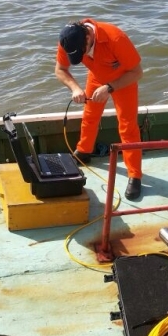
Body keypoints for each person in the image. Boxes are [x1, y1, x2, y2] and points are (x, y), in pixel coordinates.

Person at [55, 18, 144, 200]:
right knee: (89, 115)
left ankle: (135, 175)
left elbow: (137, 72)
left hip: (123, 80)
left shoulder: (116, 39)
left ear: (88, 37)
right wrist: (75, 88)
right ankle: (84, 151)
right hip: (96, 76)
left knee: (127, 126)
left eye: (82, 53)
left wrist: (110, 87)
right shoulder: (68, 40)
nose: (80, 58)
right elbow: (60, 69)